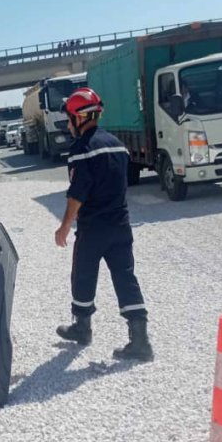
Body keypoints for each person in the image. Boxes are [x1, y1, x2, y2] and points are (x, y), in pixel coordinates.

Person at [54, 87, 153, 361]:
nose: (68, 124)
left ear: (79, 118)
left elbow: (78, 193)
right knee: (125, 277)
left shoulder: (81, 150)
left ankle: (82, 329)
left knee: (83, 274)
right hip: (121, 225)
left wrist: (64, 226)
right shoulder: (117, 144)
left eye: (69, 119)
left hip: (93, 228)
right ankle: (141, 341)